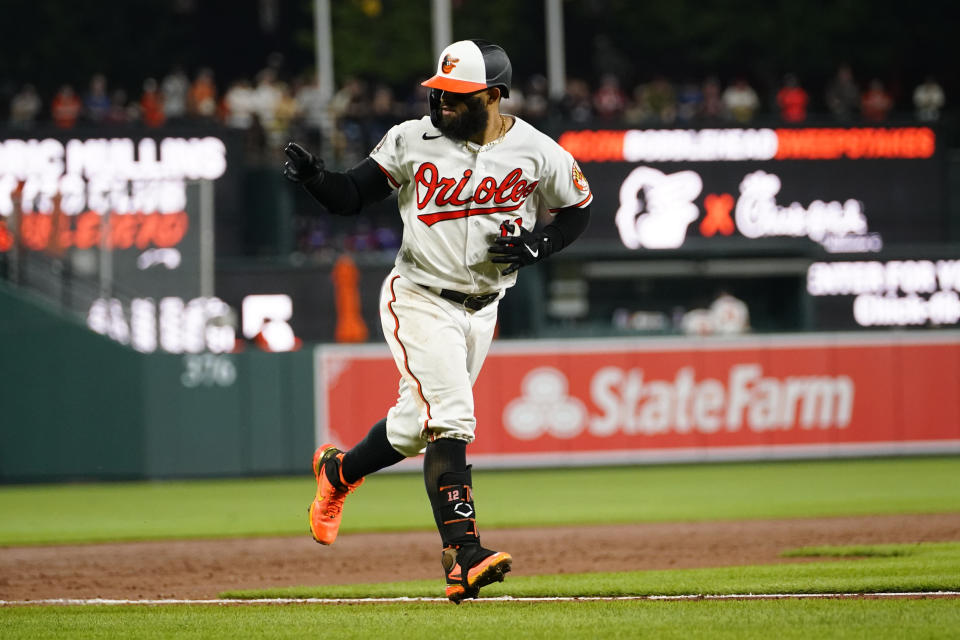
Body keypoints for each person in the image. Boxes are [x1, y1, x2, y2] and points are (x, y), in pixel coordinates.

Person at [282, 39, 592, 603]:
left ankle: (338, 473)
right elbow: (352, 195)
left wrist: (538, 246)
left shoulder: (535, 150)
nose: (443, 103)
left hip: (483, 308)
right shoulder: (410, 138)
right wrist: (315, 179)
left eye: (457, 96)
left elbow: (577, 206)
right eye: (439, 93)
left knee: (411, 428)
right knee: (451, 417)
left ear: (494, 96)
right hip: (419, 296)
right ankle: (463, 555)